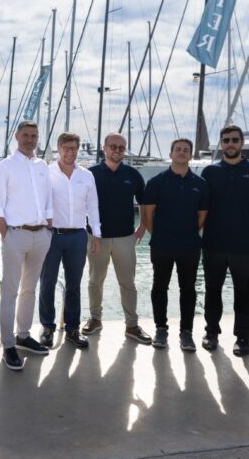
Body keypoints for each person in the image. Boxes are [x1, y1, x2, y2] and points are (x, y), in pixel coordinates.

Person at [200, 125, 249, 356]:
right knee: (212, 290)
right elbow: (201, 210)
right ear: (221, 144)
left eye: (234, 140)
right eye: (225, 140)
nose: (230, 144)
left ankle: (243, 336)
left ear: (241, 143)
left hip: (245, 245)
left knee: (244, 292)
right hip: (213, 244)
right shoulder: (210, 172)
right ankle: (211, 331)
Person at [0, 121, 53, 371]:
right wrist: (6, 235)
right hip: (15, 235)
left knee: (30, 289)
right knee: (10, 291)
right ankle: (8, 345)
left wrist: (49, 229)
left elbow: (48, 202)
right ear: (16, 136)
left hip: (41, 235)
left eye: (34, 136)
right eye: (25, 135)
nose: (30, 139)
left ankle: (23, 335)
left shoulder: (42, 167)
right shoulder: (5, 166)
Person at [141, 138, 208, 352]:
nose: (181, 152)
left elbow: (202, 216)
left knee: (188, 289)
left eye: (186, 150)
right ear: (170, 154)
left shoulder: (200, 184)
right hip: (162, 244)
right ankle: (161, 328)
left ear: (190, 155)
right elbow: (147, 214)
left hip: (190, 245)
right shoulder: (156, 182)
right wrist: (159, 233)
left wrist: (186, 232)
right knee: (160, 286)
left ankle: (186, 332)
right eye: (177, 149)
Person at [84, 133, 151, 345]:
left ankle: (132, 325)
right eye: (113, 146)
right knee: (95, 281)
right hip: (96, 237)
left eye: (122, 147)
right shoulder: (90, 174)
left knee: (128, 283)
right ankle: (95, 319)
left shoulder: (132, 174)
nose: (117, 150)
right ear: (104, 148)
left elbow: (145, 203)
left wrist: (143, 227)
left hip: (125, 237)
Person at [37, 132, 100, 350]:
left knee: (74, 285)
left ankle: (73, 329)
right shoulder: (46, 172)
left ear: (78, 149)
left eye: (73, 148)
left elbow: (93, 207)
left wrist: (97, 234)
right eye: (65, 148)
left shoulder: (86, 176)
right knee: (47, 283)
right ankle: (47, 327)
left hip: (78, 236)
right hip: (51, 235)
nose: (69, 152)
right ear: (58, 148)